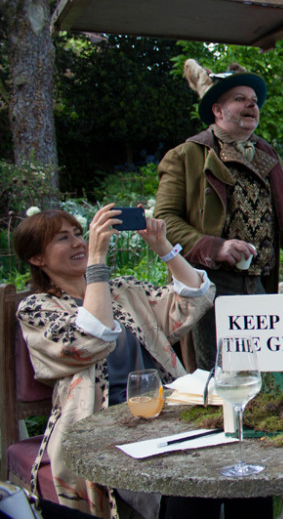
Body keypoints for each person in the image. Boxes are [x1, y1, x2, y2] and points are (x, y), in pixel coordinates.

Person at [13, 205, 215, 518]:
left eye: (80, 235)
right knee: (183, 484)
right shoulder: (37, 310)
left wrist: (163, 247)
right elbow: (91, 340)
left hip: (165, 415)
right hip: (99, 429)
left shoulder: (122, 291)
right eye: (63, 239)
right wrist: (96, 259)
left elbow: (195, 301)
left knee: (232, 468)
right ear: (37, 258)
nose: (79, 243)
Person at [155, 60, 283, 371]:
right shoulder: (185, 156)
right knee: (220, 373)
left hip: (260, 281)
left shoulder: (267, 155)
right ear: (218, 110)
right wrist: (216, 247)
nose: (251, 104)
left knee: (264, 368)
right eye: (240, 99)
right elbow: (165, 222)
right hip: (211, 285)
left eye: (254, 100)